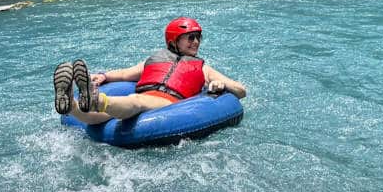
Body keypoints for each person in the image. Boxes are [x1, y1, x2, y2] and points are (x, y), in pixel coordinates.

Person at [53, 17, 246, 124]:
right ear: (173, 41)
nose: (195, 42)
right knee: (97, 119)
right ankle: (71, 104)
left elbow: (241, 90)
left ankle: (95, 100)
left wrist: (220, 84)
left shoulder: (202, 68)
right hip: (143, 96)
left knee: (135, 101)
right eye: (190, 37)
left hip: (168, 102)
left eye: (198, 37)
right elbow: (124, 74)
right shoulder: (153, 60)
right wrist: (103, 76)